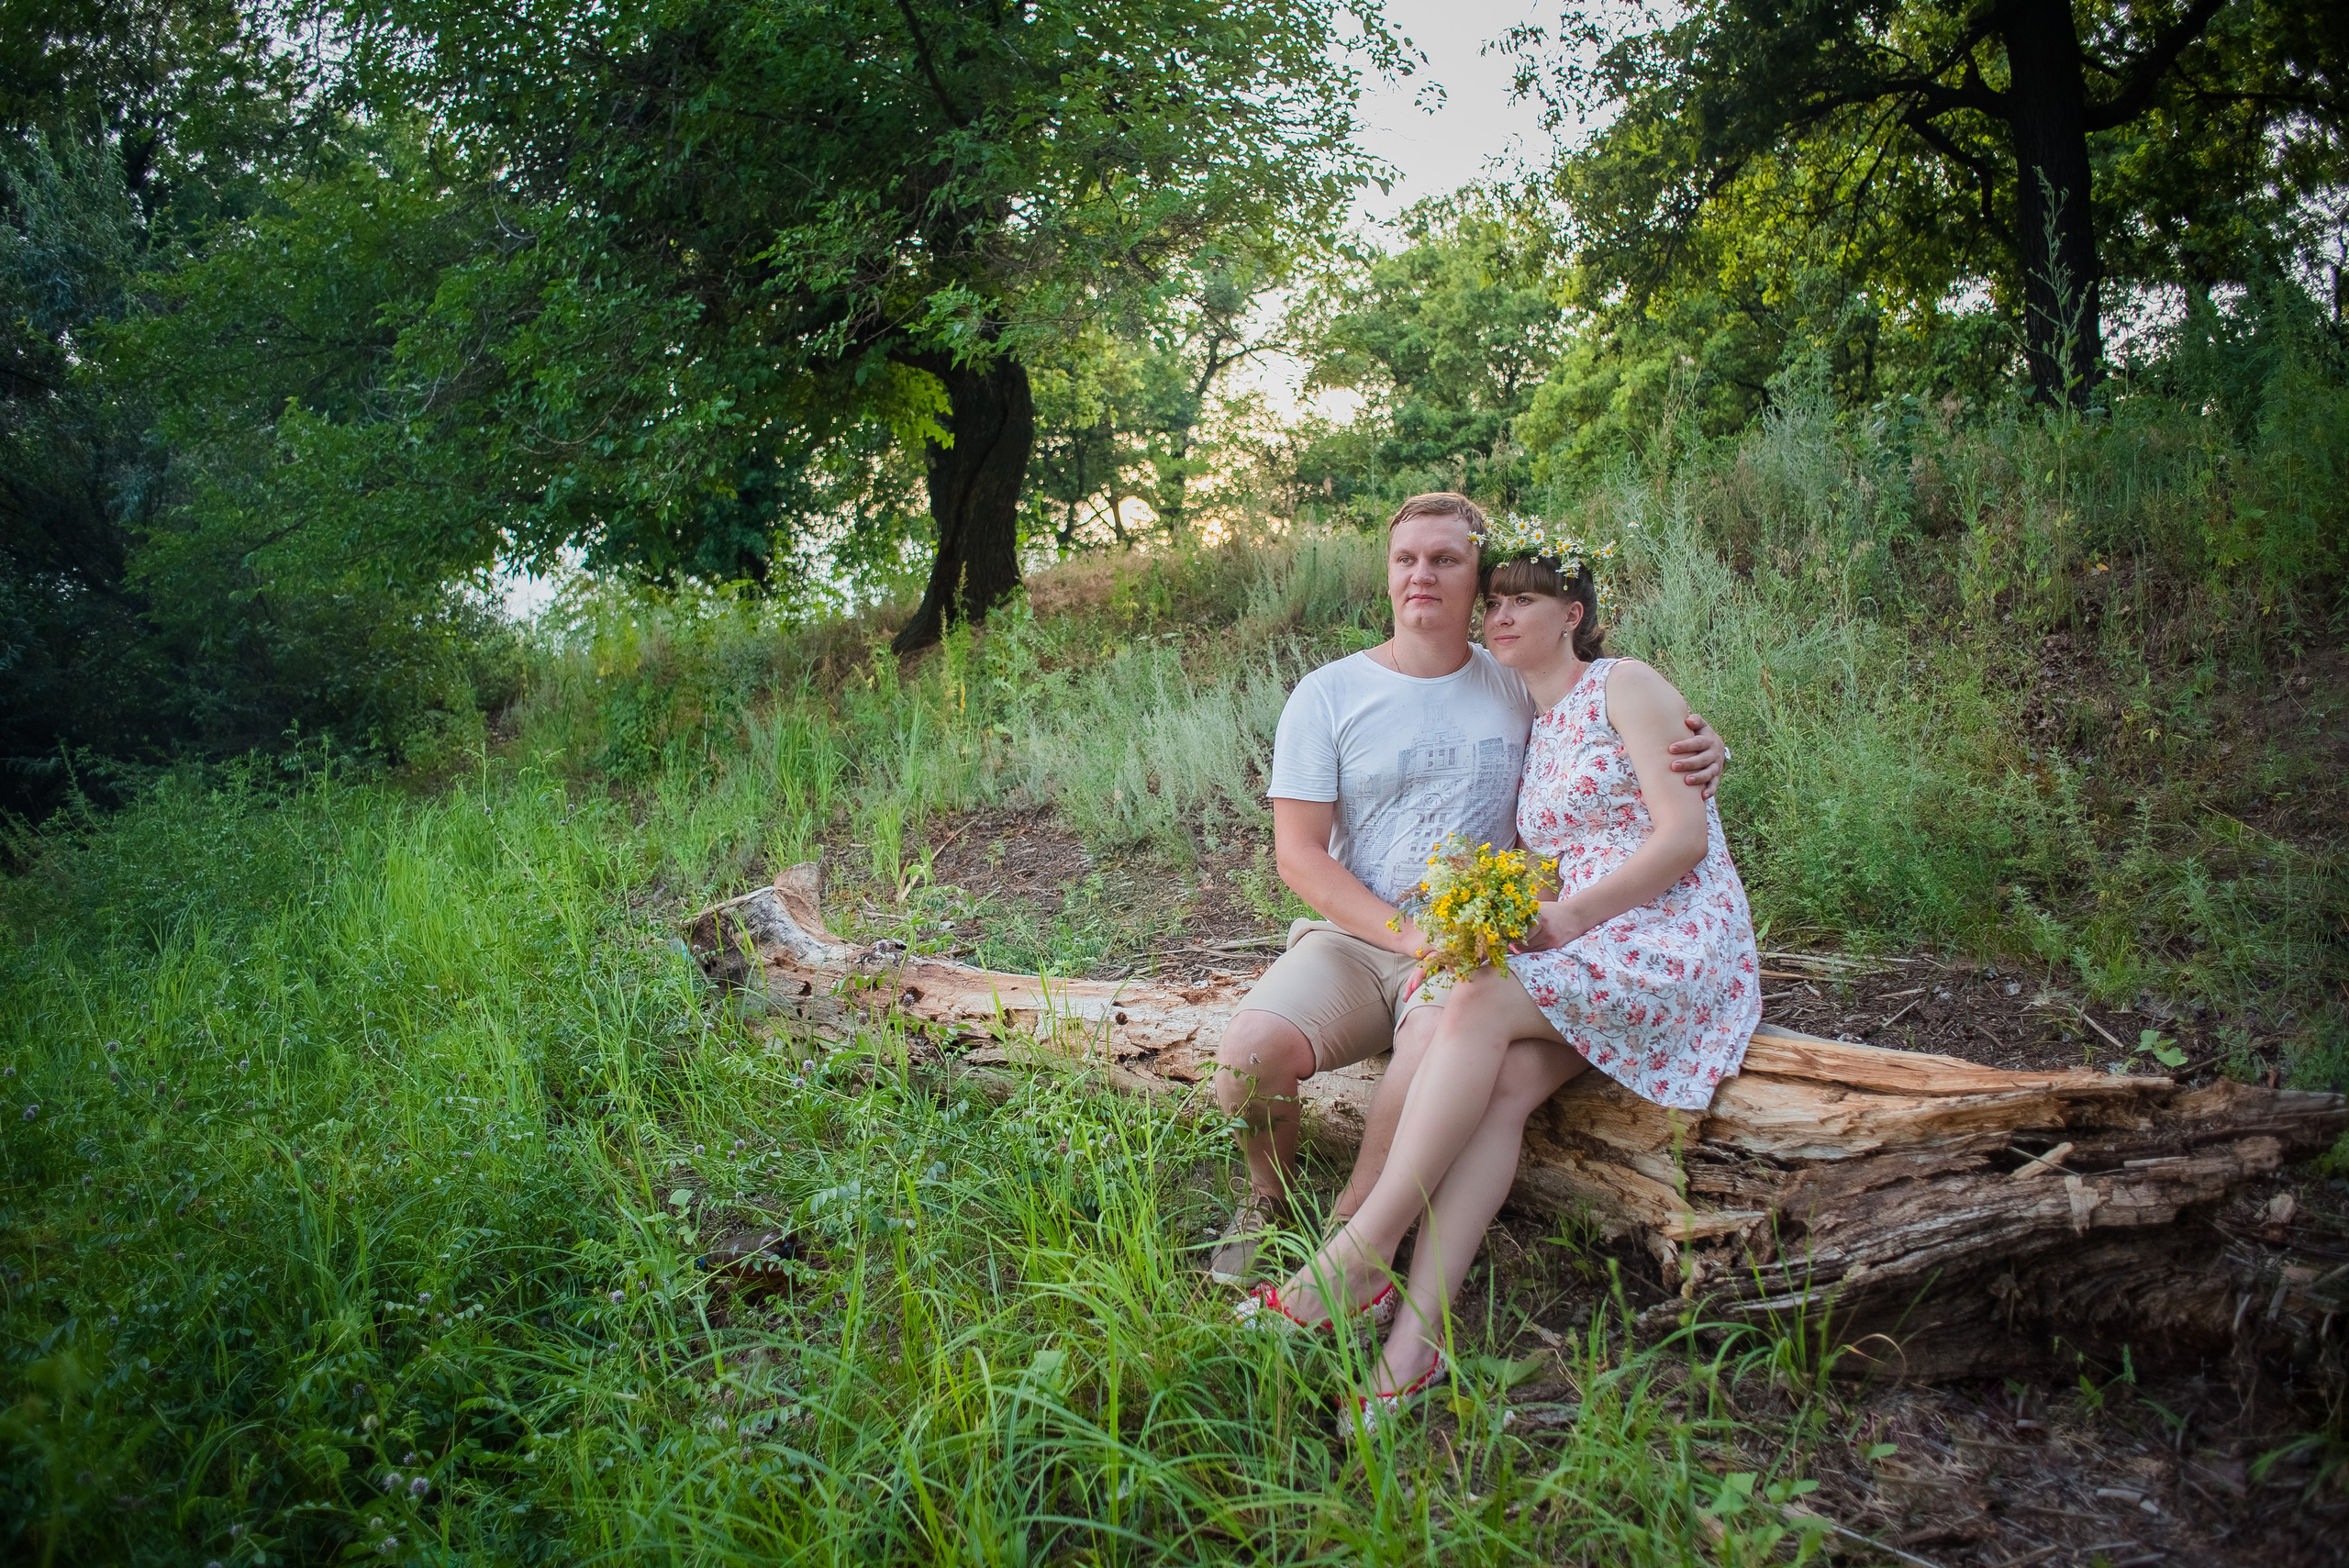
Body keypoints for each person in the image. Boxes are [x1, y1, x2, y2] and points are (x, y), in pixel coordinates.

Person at [1240, 515, 1764, 1429]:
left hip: (1667, 938)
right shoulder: (1530, 706)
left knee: (1469, 999)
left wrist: (1567, 912)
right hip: (1581, 944)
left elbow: (1682, 833)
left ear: (1572, 610)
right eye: (1497, 601)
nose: (1499, 613)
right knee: (1506, 1088)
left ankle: (1361, 1251)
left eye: (1519, 596)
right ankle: (1415, 1346)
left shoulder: (1622, 681)